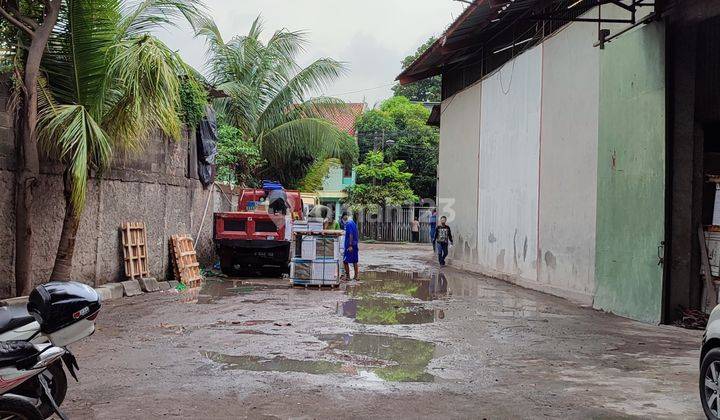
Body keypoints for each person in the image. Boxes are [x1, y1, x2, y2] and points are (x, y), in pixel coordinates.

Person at [342, 212, 359, 280]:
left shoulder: (349, 224)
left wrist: (350, 245)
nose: (343, 219)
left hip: (350, 245)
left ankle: (348, 276)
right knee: (355, 261)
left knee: (345, 261)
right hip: (355, 244)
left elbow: (351, 234)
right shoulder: (353, 223)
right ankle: (356, 276)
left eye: (343, 217)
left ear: (346, 216)